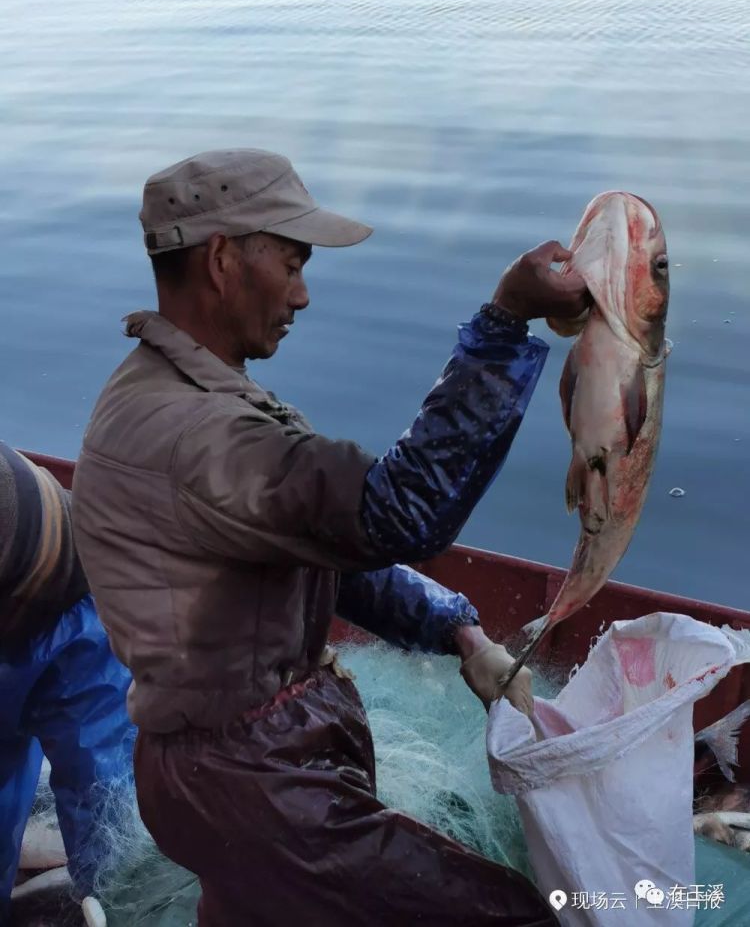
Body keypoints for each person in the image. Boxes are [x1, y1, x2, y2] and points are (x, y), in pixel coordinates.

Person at [71, 148, 588, 927]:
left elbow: (321, 553)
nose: (304, 294)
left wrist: (458, 631)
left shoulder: (178, 391)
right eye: (292, 262)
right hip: (252, 784)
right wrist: (504, 322)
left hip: (235, 774)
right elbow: (398, 514)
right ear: (220, 259)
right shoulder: (196, 434)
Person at [0, 442, 135, 923]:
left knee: (100, 799)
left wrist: (111, 893)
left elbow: (96, 772)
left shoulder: (73, 630)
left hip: (59, 593)